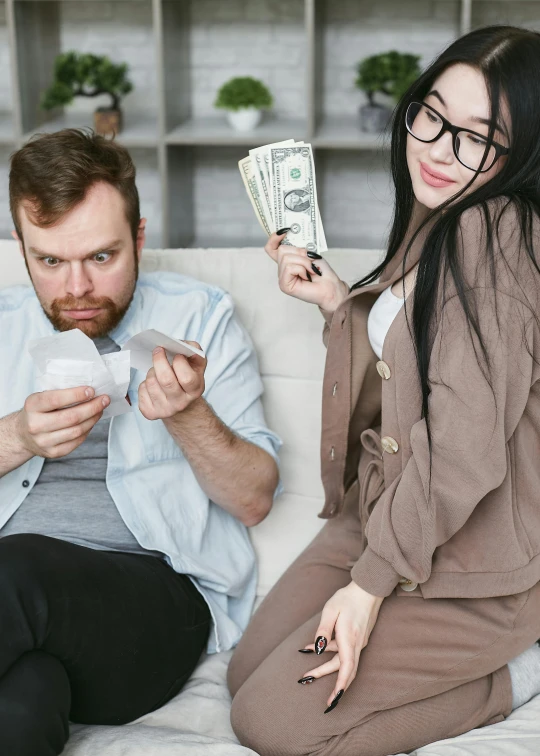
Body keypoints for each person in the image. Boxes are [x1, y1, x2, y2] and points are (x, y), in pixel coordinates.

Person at [227, 24, 540, 756]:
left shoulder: (492, 236)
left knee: (272, 721)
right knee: (245, 675)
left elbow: (463, 454)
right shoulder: (438, 221)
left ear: (522, 151)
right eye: (432, 114)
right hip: (384, 513)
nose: (437, 147)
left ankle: (516, 676)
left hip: (473, 559)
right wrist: (342, 306)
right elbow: (419, 366)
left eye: (477, 136)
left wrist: (368, 590)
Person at [0, 128, 282, 755]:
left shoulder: (201, 317)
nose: (76, 288)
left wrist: (189, 415)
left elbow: (254, 500)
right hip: (19, 627)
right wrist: (17, 435)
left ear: (139, 238)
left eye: (102, 257)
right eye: (50, 262)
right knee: (22, 704)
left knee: (15, 569)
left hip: (149, 610)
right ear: (20, 246)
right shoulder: (1, 325)